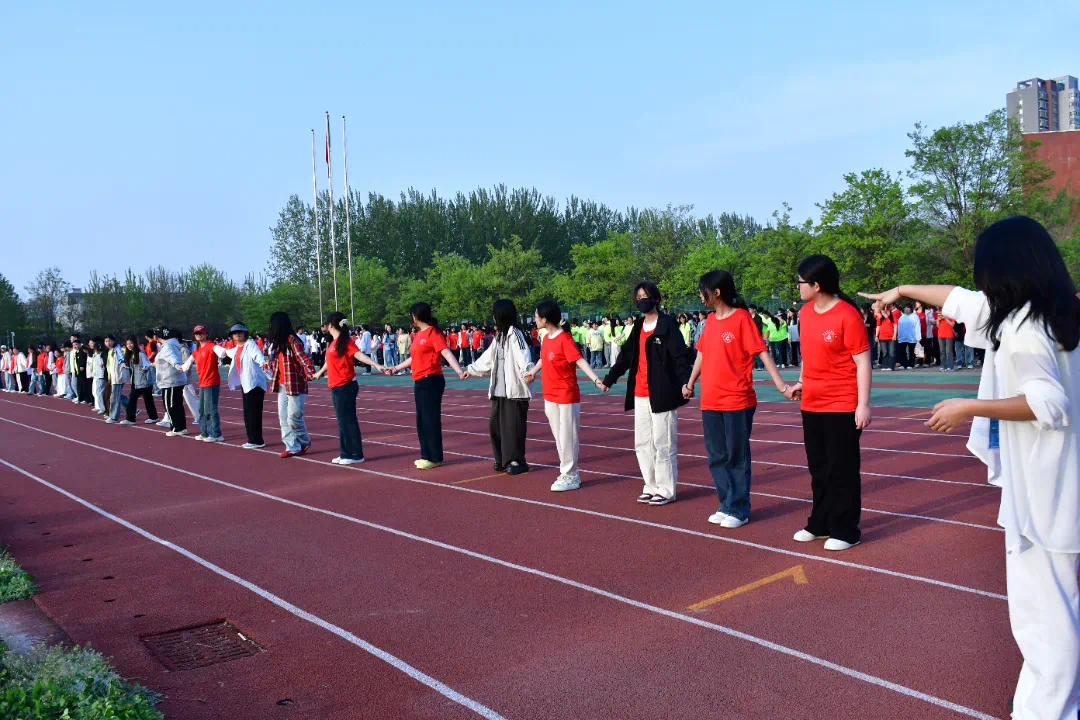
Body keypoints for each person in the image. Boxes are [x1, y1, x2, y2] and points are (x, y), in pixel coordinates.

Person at [861, 216, 1080, 720]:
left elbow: (1047, 403)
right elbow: (958, 300)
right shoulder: (1052, 312)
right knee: (1053, 603)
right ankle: (1045, 700)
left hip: (1044, 486)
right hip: (1056, 480)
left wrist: (969, 407)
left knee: (1043, 611)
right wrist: (902, 289)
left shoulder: (1022, 328)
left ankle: (1051, 709)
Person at [685, 269, 793, 527]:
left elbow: (762, 352)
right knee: (716, 456)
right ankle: (726, 503)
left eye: (703, 291)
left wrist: (781, 385)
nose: (700, 296)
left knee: (736, 456)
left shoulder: (742, 318)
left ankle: (739, 509)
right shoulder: (710, 321)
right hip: (710, 399)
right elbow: (701, 354)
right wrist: (690, 383)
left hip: (737, 399)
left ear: (717, 292)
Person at [786, 255, 872, 552]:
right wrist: (802, 382)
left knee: (841, 469)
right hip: (812, 402)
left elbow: (863, 363)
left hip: (842, 403)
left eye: (800, 282)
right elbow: (809, 357)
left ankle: (846, 530)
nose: (797, 287)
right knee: (818, 468)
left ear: (817, 285)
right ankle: (820, 523)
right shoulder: (805, 313)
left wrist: (863, 405)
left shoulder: (847, 315)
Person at [602, 283, 691, 506]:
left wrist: (686, 382)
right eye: (639, 297)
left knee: (664, 443)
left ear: (656, 299)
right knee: (642, 443)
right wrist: (610, 379)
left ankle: (666, 490)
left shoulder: (667, 324)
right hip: (639, 393)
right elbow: (625, 356)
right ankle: (650, 486)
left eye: (646, 296)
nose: (642, 300)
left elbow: (680, 356)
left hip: (662, 392)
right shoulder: (638, 326)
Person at [524, 300, 606, 491]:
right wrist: (533, 372)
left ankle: (570, 475)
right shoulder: (546, 338)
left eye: (536, 316)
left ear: (545, 319)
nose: (535, 320)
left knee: (568, 436)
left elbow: (580, 361)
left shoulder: (564, 339)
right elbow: (543, 359)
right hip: (549, 394)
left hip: (566, 394)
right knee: (559, 437)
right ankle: (568, 472)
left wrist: (596, 380)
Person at [387, 303, 466, 469]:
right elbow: (413, 358)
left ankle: (434, 457)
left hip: (431, 379)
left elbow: (445, 352)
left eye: (411, 315)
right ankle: (426, 455)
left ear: (416, 317)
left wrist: (459, 371)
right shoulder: (418, 335)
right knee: (422, 421)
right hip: (419, 380)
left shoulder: (433, 333)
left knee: (430, 420)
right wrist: (396, 368)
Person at [463, 299, 535, 475]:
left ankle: (517, 461)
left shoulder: (515, 334)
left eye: (495, 314)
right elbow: (488, 358)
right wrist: (470, 370)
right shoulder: (499, 336)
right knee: (495, 426)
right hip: (499, 390)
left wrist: (528, 372)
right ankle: (502, 458)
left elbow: (523, 356)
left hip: (514, 391)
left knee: (513, 427)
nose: (493, 317)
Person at [313, 312, 382, 465]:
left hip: (345, 385)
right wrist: (319, 373)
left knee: (348, 421)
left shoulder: (345, 341)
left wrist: (376, 365)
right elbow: (329, 361)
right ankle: (345, 453)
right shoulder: (334, 342)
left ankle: (356, 454)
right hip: (336, 385)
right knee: (342, 421)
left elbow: (358, 355)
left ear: (331, 325)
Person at [267, 312, 316, 458]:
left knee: (293, 417)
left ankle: (304, 441)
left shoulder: (293, 341)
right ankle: (292, 446)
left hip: (295, 384)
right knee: (283, 418)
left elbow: (304, 359)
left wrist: (312, 373)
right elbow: (279, 363)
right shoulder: (277, 343)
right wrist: (269, 364)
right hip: (282, 384)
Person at [176, 325, 224, 442]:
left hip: (211, 382)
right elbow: (189, 362)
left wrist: (223, 352)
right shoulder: (197, 349)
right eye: (196, 333)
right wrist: (181, 367)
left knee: (210, 409)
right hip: (202, 382)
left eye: (201, 333)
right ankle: (204, 432)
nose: (198, 335)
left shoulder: (211, 345)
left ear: (206, 334)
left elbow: (221, 352)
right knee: (202, 409)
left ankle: (216, 434)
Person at [223, 324, 268, 449]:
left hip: (254, 384)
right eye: (235, 333)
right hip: (246, 384)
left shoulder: (250, 345)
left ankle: (256, 440)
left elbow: (257, 355)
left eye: (240, 332)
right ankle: (252, 439)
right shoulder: (237, 348)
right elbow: (227, 352)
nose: (237, 334)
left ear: (245, 333)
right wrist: (218, 350)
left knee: (253, 413)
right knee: (248, 413)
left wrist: (262, 362)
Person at [153, 328, 189, 436]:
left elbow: (171, 358)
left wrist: (177, 365)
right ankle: (180, 427)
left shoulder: (167, 346)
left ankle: (176, 428)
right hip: (173, 379)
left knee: (170, 405)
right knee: (177, 405)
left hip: (170, 380)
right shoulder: (172, 344)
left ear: (158, 337)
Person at [120, 335, 157, 425]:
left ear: (135, 343)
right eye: (127, 344)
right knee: (133, 400)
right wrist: (124, 366)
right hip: (136, 382)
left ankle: (152, 417)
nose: (129, 345)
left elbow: (147, 363)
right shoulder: (130, 354)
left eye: (131, 343)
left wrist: (144, 369)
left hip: (144, 382)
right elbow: (132, 368)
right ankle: (132, 419)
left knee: (146, 401)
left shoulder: (140, 353)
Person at [103, 335, 127, 423]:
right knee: (116, 396)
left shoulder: (117, 349)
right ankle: (132, 410)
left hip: (118, 377)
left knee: (114, 397)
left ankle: (114, 417)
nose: (108, 343)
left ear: (113, 341)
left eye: (109, 341)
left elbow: (121, 358)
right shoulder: (110, 351)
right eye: (106, 341)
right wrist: (109, 377)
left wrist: (122, 363)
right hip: (113, 377)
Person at [896, 305, 921, 370]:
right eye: (905, 308)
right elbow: (899, 327)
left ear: (911, 309)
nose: (906, 309)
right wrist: (898, 335)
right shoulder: (902, 317)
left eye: (908, 308)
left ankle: (911, 364)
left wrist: (918, 337)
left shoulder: (915, 317)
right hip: (902, 337)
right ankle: (903, 364)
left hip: (912, 337)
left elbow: (917, 327)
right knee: (902, 351)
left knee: (911, 351)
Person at [876, 307, 896, 371]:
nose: (886, 313)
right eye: (884, 311)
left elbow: (895, 326)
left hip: (891, 337)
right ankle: (884, 365)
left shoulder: (893, 318)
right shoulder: (880, 318)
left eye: (887, 311)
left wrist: (895, 335)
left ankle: (891, 366)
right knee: (884, 352)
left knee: (891, 352)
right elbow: (878, 327)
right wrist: (876, 336)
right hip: (882, 337)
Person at [90, 340, 107, 413]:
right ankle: (101, 407)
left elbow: (102, 366)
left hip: (101, 376)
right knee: (98, 392)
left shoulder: (102, 355)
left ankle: (103, 408)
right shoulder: (96, 355)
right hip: (97, 375)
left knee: (99, 392)